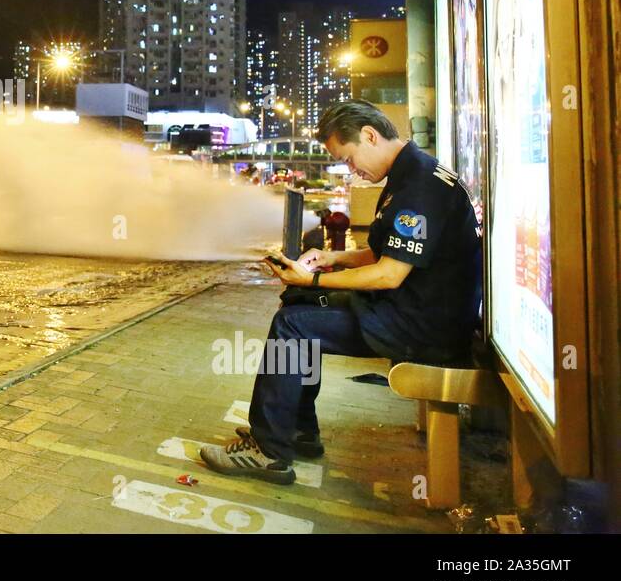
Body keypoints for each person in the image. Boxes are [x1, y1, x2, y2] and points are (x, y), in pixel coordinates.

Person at [199, 100, 483, 484]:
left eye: (348, 159)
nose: (351, 171)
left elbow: (387, 275)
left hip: (422, 325)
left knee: (293, 326)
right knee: (298, 304)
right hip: (414, 308)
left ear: (369, 135)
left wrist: (313, 280)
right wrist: (333, 257)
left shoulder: (419, 187)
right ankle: (298, 429)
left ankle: (269, 452)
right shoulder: (410, 174)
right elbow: (389, 251)